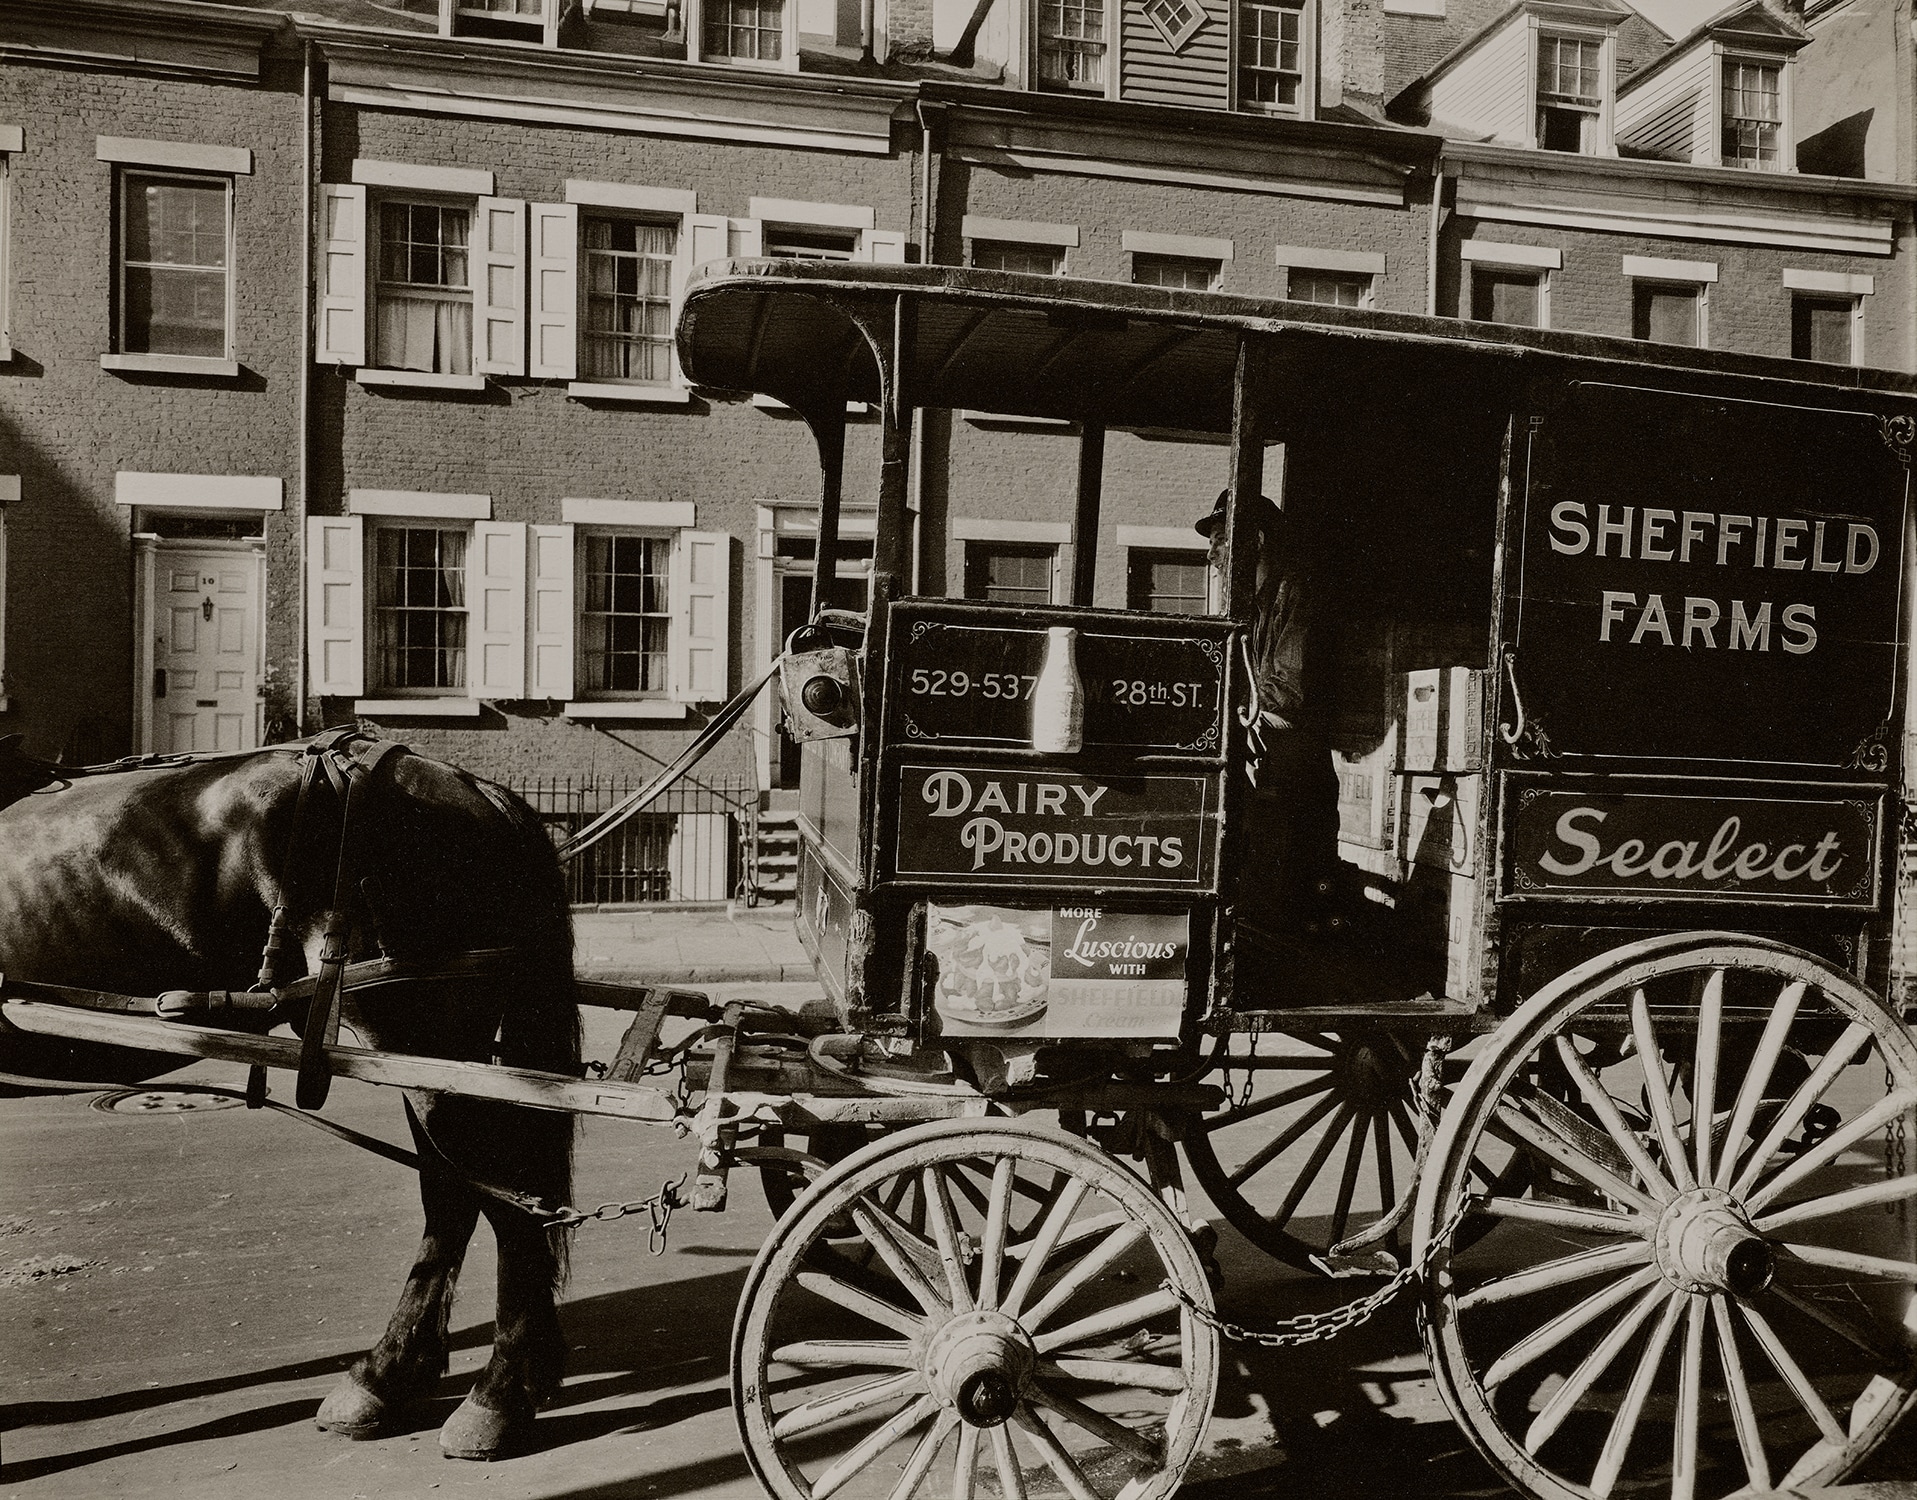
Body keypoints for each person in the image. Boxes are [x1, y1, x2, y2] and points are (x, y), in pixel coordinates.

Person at [1196, 490, 1341, 949]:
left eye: (1220, 539)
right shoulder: (1252, 605)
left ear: (1253, 541)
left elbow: (1286, 690)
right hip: (1274, 755)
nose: (1211, 554)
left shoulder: (1294, 592)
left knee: (1280, 877)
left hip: (1292, 765)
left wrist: (1244, 715)